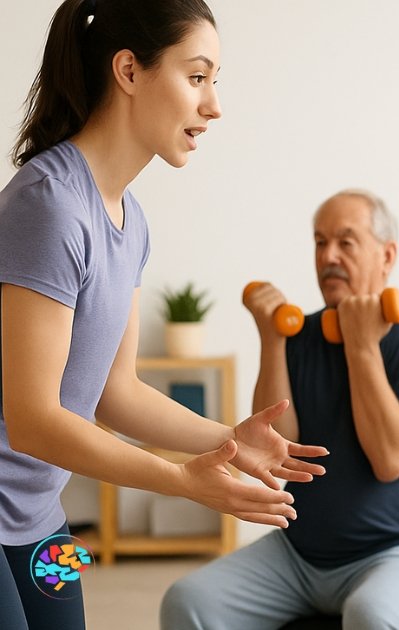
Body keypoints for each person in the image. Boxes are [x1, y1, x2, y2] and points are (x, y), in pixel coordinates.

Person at [0, 2, 325, 628]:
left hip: (41, 520)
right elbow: (34, 421)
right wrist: (184, 481)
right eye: (197, 77)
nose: (214, 105)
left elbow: (113, 393)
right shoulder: (51, 208)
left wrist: (228, 441)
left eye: (215, 81)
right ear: (129, 70)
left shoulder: (129, 220)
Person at [160, 190, 399, 629]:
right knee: (186, 603)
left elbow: (391, 460)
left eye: (346, 242)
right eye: (320, 243)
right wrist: (272, 340)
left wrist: (360, 344)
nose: (329, 256)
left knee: (372, 616)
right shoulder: (300, 337)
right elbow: (276, 455)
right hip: (299, 555)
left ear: (387, 256)